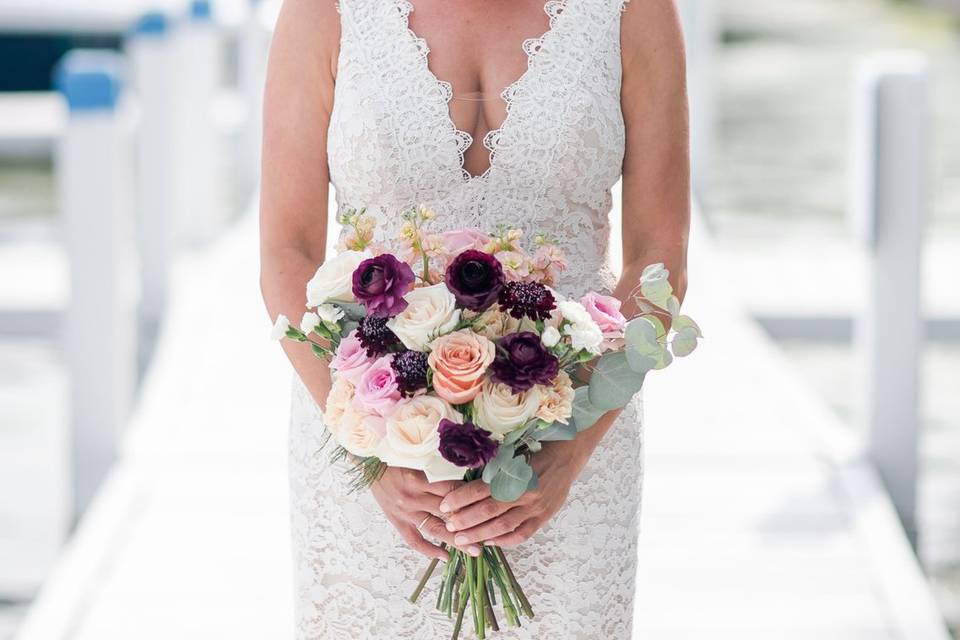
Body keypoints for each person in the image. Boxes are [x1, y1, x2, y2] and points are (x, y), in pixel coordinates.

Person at [259, 0, 689, 636]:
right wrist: (369, 450)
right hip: (374, 443)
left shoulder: (634, 10)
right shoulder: (324, 9)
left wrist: (569, 452)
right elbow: (285, 252)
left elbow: (661, 259)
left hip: (574, 428)